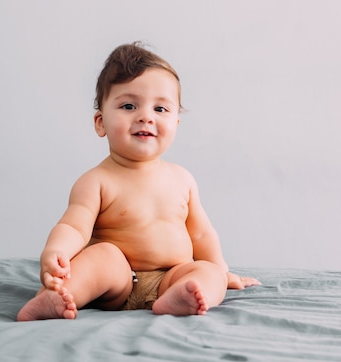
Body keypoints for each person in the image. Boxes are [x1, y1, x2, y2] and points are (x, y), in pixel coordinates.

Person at [17, 42, 260, 321]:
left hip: (172, 276)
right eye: (129, 106)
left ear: (176, 125)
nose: (145, 116)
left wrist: (221, 269)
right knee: (103, 257)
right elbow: (73, 226)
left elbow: (202, 234)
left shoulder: (182, 179)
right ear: (100, 122)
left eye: (160, 109)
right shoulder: (96, 181)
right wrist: (56, 252)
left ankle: (182, 297)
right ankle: (55, 296)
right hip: (118, 283)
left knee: (209, 274)